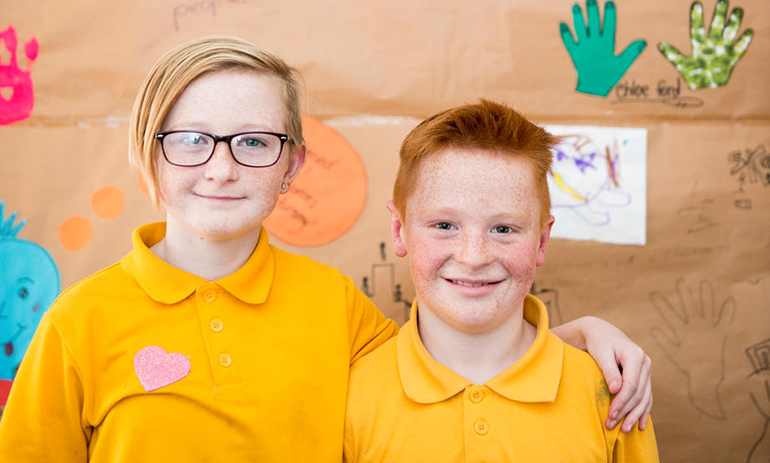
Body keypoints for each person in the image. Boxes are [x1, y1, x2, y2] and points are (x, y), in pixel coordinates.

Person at [0, 37, 650, 462]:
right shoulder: (75, 323)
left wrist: (580, 336)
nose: (222, 169)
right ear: (149, 155)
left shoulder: (337, 309)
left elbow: (458, 357)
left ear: (293, 164)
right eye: (192, 139)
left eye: (254, 142)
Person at [344, 100, 659, 462]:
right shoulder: (352, 395)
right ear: (399, 230)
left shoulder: (611, 393)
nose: (474, 256)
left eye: (504, 228)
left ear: (541, 241)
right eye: (444, 226)